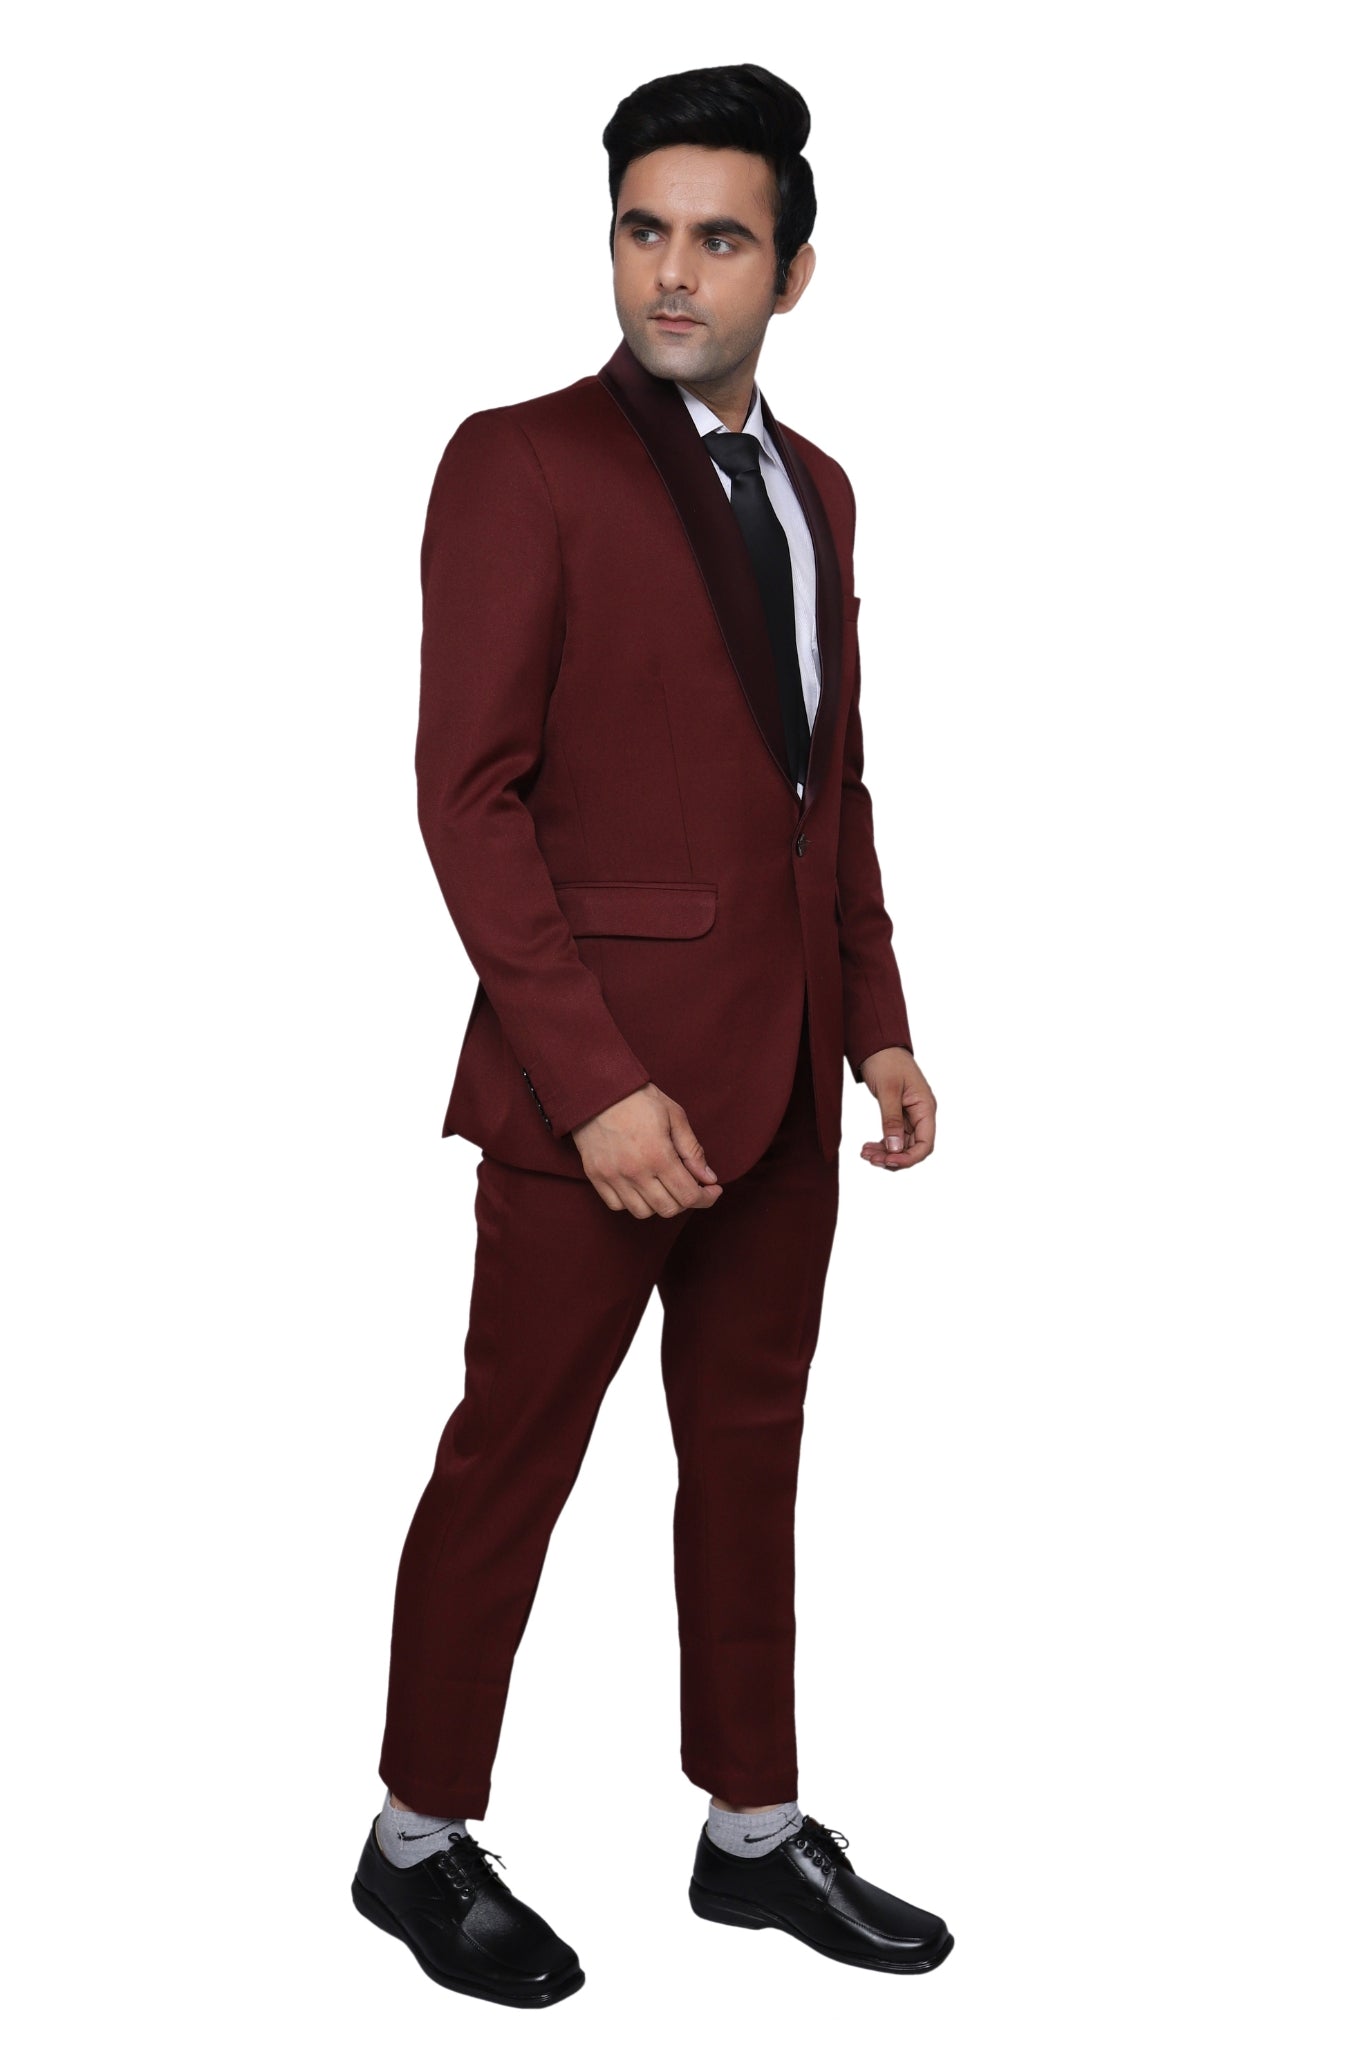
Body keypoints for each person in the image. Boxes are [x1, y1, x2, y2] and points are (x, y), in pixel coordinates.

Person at [351, 61, 950, 2006]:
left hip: (784, 1078)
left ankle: (750, 1831)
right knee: (512, 1455)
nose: (672, 273)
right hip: (588, 1091)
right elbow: (467, 798)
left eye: (717, 238)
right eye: (641, 230)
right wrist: (594, 1084)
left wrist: (875, 1021)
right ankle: (412, 1843)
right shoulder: (516, 462)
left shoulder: (817, 486)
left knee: (750, 1459)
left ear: (791, 269)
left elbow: (823, 786)